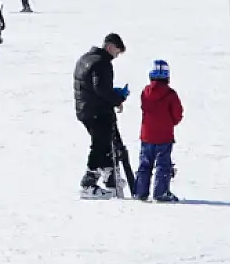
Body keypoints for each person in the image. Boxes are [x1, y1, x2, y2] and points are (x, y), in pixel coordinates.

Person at [74, 34, 128, 196]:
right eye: (117, 52)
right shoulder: (101, 63)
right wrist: (118, 98)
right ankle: (88, 184)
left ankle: (109, 175)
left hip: (85, 109)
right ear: (110, 47)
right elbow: (101, 89)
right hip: (96, 111)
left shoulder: (85, 58)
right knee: (100, 144)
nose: (116, 56)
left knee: (103, 144)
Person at [135, 60, 183, 202]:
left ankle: (140, 192)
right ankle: (160, 192)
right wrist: (171, 123)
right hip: (164, 135)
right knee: (163, 165)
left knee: (144, 164)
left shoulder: (145, 92)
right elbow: (178, 114)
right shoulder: (171, 94)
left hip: (146, 135)